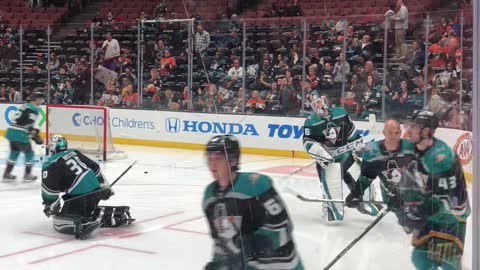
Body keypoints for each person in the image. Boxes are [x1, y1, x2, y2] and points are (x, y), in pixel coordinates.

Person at [202, 135, 304, 270]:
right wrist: (218, 264)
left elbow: (283, 228)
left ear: (232, 161)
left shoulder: (256, 187)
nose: (212, 164)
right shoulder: (210, 197)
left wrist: (248, 250)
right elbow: (221, 241)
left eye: (218, 158)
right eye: (210, 158)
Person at [402, 110, 470, 269]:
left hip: (451, 218)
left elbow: (448, 199)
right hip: (431, 217)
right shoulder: (416, 148)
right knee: (420, 259)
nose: (408, 130)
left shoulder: (441, 158)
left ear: (426, 132)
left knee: (448, 262)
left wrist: (417, 211)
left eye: (413, 127)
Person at [41, 135, 134, 240]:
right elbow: (95, 167)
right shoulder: (74, 152)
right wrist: (104, 185)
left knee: (59, 220)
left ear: (52, 148)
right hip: (96, 190)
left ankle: (83, 223)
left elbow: (49, 190)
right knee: (84, 206)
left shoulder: (50, 164)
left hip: (80, 196)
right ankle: (108, 214)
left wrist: (50, 204)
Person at [302, 96, 373, 222]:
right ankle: (331, 209)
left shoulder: (341, 113)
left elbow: (352, 133)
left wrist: (358, 145)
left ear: (325, 101)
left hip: (346, 156)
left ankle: (361, 200)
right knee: (331, 185)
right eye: (314, 104)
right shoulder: (310, 122)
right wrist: (320, 153)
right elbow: (308, 142)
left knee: (357, 177)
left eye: (318, 102)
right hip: (328, 161)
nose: (317, 105)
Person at [345, 120, 415, 213]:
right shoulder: (373, 152)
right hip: (389, 191)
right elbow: (367, 176)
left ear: (400, 133)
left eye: (396, 133)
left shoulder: (410, 148)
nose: (393, 136)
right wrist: (356, 194)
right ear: (384, 133)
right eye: (390, 132)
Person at [3, 92, 45, 181]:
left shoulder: (25, 105)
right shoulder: (34, 109)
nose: (42, 101)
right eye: (41, 99)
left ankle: (7, 173)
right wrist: (35, 137)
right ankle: (27, 174)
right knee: (29, 153)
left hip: (11, 132)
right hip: (20, 133)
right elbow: (28, 126)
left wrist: (34, 133)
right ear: (36, 99)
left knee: (14, 152)